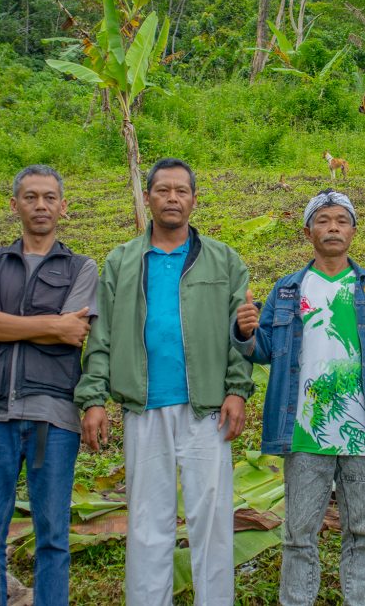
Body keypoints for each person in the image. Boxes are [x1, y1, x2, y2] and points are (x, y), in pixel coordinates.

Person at [76, 158, 253, 606]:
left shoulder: (224, 259)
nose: (172, 198)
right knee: (147, 523)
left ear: (194, 199)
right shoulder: (121, 262)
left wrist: (236, 390)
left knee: (211, 522)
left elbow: (241, 330)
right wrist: (93, 398)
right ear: (148, 197)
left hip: (207, 410)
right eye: (163, 190)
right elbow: (101, 336)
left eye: (181, 190)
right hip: (144, 407)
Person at [233, 189, 365, 605]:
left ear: (353, 230)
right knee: (299, 534)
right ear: (307, 230)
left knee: (363, 532)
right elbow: (263, 349)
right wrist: (244, 332)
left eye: (341, 220)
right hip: (304, 434)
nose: (332, 227)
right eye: (323, 220)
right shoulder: (286, 290)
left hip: (363, 433)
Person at [0, 165, 98, 606]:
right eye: (31, 197)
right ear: (14, 204)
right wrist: (48, 325)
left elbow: (74, 333)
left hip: (53, 415)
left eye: (49, 197)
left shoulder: (81, 267)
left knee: (53, 535)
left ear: (63, 206)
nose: (40, 205)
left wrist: (5, 325)